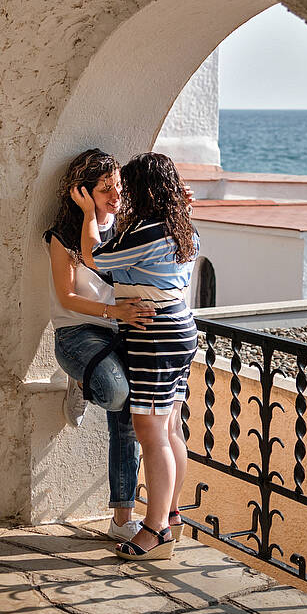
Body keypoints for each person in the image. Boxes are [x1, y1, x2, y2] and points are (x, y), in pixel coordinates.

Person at [76, 152, 199, 559]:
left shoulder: (146, 231)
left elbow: (95, 259)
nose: (120, 195)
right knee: (170, 430)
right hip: (181, 329)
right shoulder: (182, 228)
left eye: (125, 188)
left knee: (150, 434)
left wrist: (86, 214)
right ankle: (173, 515)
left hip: (154, 336)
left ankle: (156, 529)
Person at [44, 149, 156, 542]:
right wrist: (116, 312)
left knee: (127, 414)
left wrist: (183, 200)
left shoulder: (125, 228)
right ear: (83, 193)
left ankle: (122, 519)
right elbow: (69, 297)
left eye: (118, 187)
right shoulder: (62, 236)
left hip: (120, 333)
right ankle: (84, 377)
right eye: (105, 188)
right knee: (114, 391)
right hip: (78, 334)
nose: (115, 195)